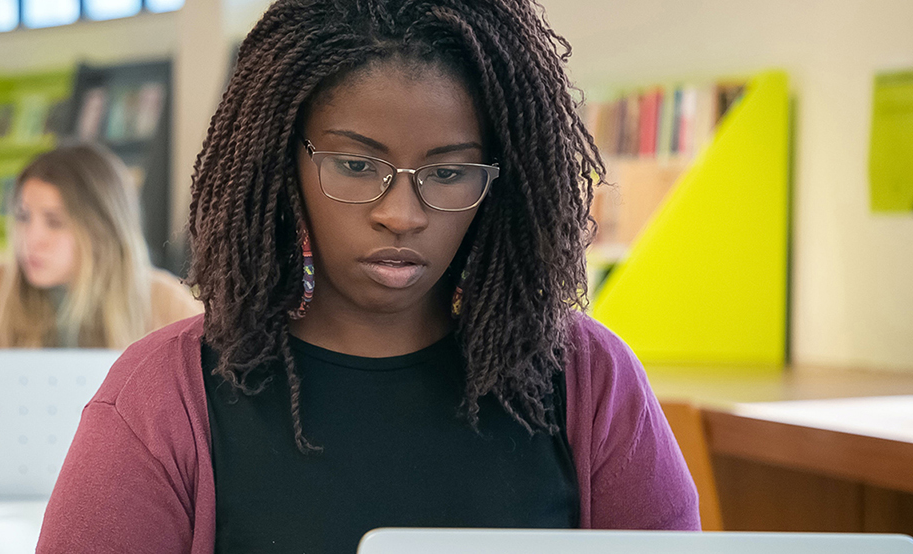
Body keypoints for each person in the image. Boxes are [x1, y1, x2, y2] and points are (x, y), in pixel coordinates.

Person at [37, 0, 701, 552]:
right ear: (282, 161)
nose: (400, 214)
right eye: (356, 166)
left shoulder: (590, 380)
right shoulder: (163, 396)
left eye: (447, 173)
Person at [0, 144, 201, 349]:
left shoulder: (163, 299)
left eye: (55, 222)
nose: (31, 238)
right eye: (23, 217)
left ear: (101, 230)